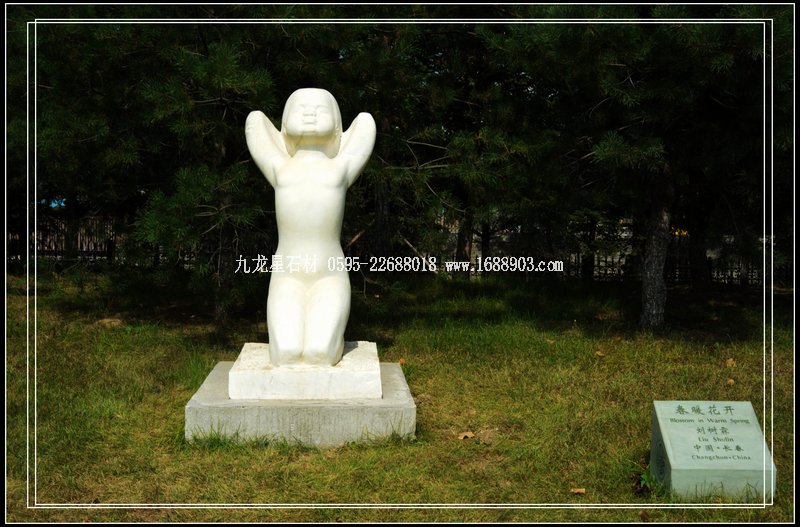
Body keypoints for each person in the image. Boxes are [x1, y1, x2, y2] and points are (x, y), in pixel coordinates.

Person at [245, 88, 376, 366]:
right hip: (287, 275)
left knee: (321, 352)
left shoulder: (340, 168)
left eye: (320, 109)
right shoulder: (280, 167)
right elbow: (255, 123)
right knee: (285, 353)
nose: (310, 114)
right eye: (301, 108)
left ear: (337, 125)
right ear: (284, 125)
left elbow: (365, 126)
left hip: (329, 275)